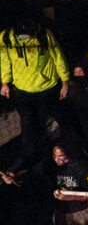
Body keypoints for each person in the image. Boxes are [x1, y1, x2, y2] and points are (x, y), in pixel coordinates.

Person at [1, 18, 69, 166]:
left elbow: (58, 57)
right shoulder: (6, 38)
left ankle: (69, 150)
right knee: (27, 124)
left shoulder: (45, 35)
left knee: (62, 119)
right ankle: (30, 157)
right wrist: (5, 82)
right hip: (22, 89)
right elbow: (4, 61)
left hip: (48, 87)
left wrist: (65, 81)